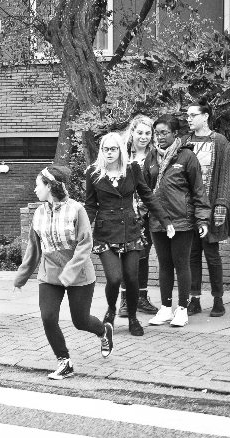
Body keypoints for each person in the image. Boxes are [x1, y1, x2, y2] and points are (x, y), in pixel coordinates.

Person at [14, 165, 113, 380]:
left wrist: (69, 272)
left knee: (81, 321)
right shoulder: (39, 213)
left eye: (38, 185)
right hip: (49, 275)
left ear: (49, 186)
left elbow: (85, 244)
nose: (35, 190)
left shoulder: (76, 209)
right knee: (48, 318)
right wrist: (21, 277)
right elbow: (34, 248)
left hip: (79, 275)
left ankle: (103, 331)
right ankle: (64, 361)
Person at [84, 131, 165, 337]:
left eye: (113, 149)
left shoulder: (132, 169)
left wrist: (165, 220)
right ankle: (111, 309)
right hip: (105, 232)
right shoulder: (93, 173)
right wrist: (82, 230)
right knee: (114, 278)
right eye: (105, 149)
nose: (109, 153)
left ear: (120, 150)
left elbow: (147, 195)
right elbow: (91, 205)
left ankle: (132, 318)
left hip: (130, 229)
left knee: (131, 277)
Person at [146, 115, 210, 328]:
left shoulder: (186, 157)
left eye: (164, 133)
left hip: (182, 221)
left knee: (181, 264)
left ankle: (182, 309)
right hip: (158, 221)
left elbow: (198, 190)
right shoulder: (152, 157)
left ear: (175, 134)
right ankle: (165, 309)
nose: (160, 137)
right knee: (164, 265)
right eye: (157, 133)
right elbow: (146, 189)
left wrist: (202, 219)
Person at [182, 100, 230, 317]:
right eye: (188, 115)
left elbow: (225, 176)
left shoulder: (220, 142)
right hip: (189, 208)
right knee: (192, 254)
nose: (189, 119)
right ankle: (194, 299)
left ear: (205, 116)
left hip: (211, 207)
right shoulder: (184, 142)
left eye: (193, 115)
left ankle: (218, 299)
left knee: (212, 254)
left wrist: (221, 204)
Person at [118, 115, 160, 318]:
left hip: (147, 214)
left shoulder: (155, 156)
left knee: (143, 255)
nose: (143, 137)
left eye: (147, 133)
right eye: (140, 132)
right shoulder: (122, 155)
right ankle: (125, 301)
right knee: (128, 256)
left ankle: (142, 297)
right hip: (126, 214)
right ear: (132, 132)